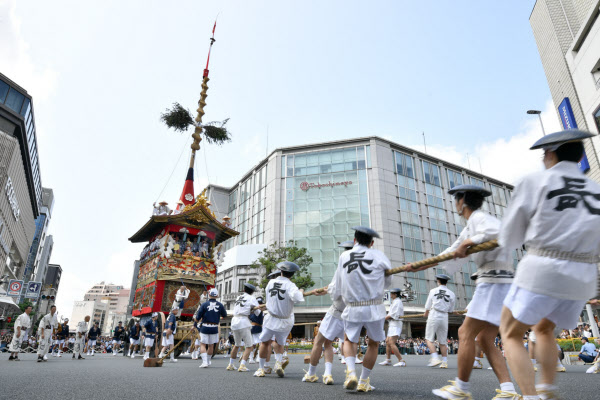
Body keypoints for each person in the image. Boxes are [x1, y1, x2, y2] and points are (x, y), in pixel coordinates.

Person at [498, 129, 600, 400]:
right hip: (583, 274)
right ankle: (547, 389)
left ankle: (531, 396)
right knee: (543, 329)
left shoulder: (535, 181)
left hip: (543, 267)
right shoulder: (596, 190)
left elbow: (509, 237)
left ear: (550, 153)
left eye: (545, 153)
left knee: (509, 331)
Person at [429, 184, 518, 400]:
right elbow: (451, 251)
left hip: (493, 281)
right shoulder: (470, 227)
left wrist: (469, 242)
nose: (455, 204)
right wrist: (419, 265)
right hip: (501, 282)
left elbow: (497, 230)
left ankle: (461, 387)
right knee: (485, 339)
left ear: (462, 202)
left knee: (464, 333)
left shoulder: (479, 218)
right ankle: (508, 391)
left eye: (456, 200)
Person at [330, 226, 391, 392]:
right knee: (373, 344)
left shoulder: (344, 256)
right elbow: (387, 283)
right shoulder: (380, 255)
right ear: (372, 243)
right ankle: (364, 381)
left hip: (353, 307)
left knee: (349, 339)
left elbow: (338, 284)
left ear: (355, 240)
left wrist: (335, 298)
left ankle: (351, 372)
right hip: (375, 307)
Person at [303, 243, 348, 384]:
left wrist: (324, 291)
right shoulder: (365, 265)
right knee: (341, 343)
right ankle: (333, 374)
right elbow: (332, 287)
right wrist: (322, 290)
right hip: (353, 313)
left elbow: (334, 290)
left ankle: (312, 374)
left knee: (319, 341)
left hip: (337, 311)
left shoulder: (344, 264)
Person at [254, 261, 305, 378]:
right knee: (279, 342)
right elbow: (297, 298)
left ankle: (261, 369)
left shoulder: (271, 282)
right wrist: (301, 291)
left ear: (281, 271)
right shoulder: (291, 285)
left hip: (271, 318)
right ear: (292, 274)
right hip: (285, 320)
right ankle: (278, 363)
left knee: (265, 342)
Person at [424, 274, 456, 369]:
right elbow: (451, 310)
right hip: (444, 316)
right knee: (443, 341)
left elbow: (428, 305)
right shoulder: (451, 293)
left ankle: (435, 358)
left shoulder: (433, 291)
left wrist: (425, 314)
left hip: (434, 314)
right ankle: (444, 362)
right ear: (446, 282)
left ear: (438, 281)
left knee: (429, 339)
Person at [229, 283, 260, 372]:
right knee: (249, 346)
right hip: (243, 321)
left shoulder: (239, 297)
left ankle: (231, 364)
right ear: (252, 292)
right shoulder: (252, 298)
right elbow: (257, 312)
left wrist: (251, 309)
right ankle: (242, 365)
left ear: (244, 290)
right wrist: (256, 309)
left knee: (237, 344)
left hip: (234, 321)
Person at [195, 288, 227, 368]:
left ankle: (204, 362)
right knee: (211, 345)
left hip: (205, 326)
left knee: (202, 344)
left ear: (209, 295)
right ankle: (208, 361)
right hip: (214, 327)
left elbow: (198, 317)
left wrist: (194, 325)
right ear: (217, 295)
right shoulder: (220, 305)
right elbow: (225, 315)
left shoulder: (204, 304)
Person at [379, 288, 406, 367]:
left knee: (391, 342)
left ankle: (401, 360)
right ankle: (388, 360)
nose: (390, 295)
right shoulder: (394, 302)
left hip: (396, 324)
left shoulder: (398, 302)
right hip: (392, 324)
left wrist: (383, 318)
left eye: (392, 293)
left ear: (395, 294)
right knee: (387, 341)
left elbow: (394, 314)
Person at [249, 296, 265, 364]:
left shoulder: (251, 311)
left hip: (251, 327)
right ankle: (258, 357)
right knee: (261, 343)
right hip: (257, 327)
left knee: (253, 344)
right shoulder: (260, 311)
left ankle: (251, 358)